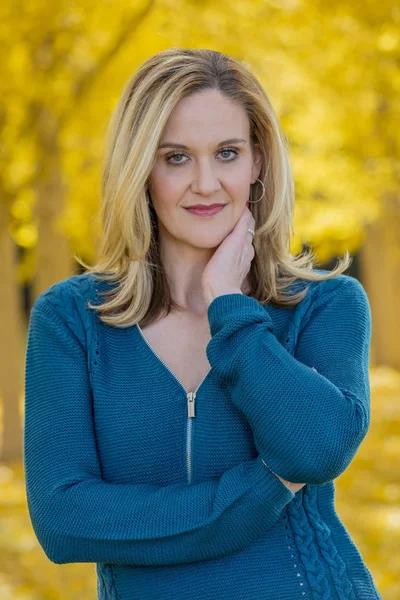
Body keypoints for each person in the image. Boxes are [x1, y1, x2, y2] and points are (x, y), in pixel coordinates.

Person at [24, 48, 383, 600]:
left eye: (227, 153)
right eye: (176, 158)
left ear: (257, 162)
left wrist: (231, 312)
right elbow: (65, 520)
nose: (206, 183)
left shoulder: (325, 305)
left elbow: (315, 452)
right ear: (142, 168)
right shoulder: (72, 321)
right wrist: (261, 490)